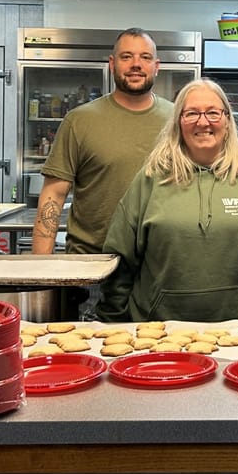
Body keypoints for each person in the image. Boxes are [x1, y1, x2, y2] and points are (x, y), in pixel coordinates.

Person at [97, 79, 238, 323]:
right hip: (158, 332)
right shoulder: (152, 178)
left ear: (227, 119)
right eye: (191, 113)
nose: (203, 122)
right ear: (178, 122)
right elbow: (120, 259)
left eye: (213, 113)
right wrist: (114, 320)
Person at [31, 28, 173, 311]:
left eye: (145, 57)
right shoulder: (80, 121)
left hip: (160, 269)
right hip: (91, 270)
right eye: (126, 56)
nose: (136, 64)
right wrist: (40, 273)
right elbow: (53, 196)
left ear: (156, 67)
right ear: (112, 63)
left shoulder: (176, 120)